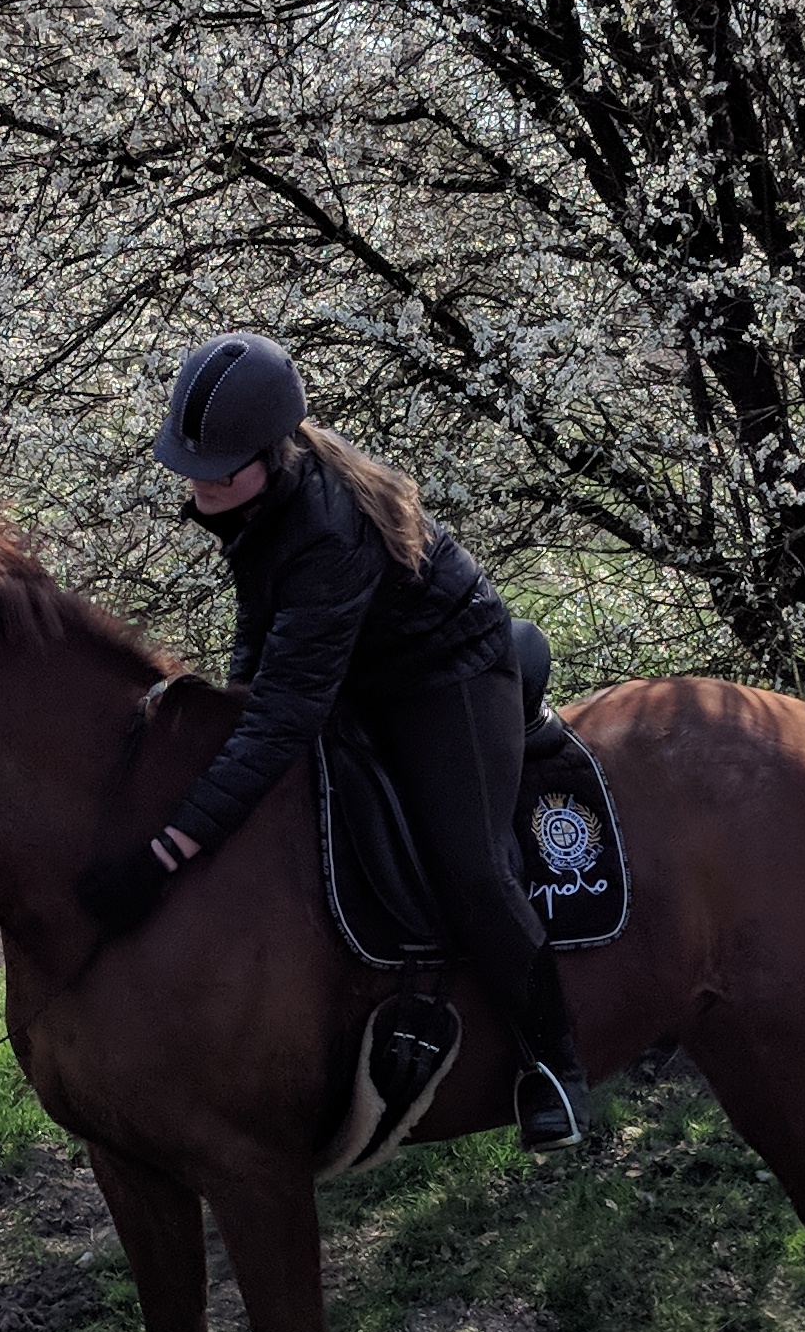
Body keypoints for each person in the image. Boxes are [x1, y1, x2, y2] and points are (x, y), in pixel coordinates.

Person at [78, 332, 590, 1151]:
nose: (199, 485)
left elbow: (287, 713)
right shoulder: (255, 492)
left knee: (472, 866)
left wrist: (167, 851)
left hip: (447, 673)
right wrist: (228, 705)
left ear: (270, 456)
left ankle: (554, 1066)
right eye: (191, 466)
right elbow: (262, 625)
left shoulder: (324, 528)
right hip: (356, 664)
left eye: (218, 471)